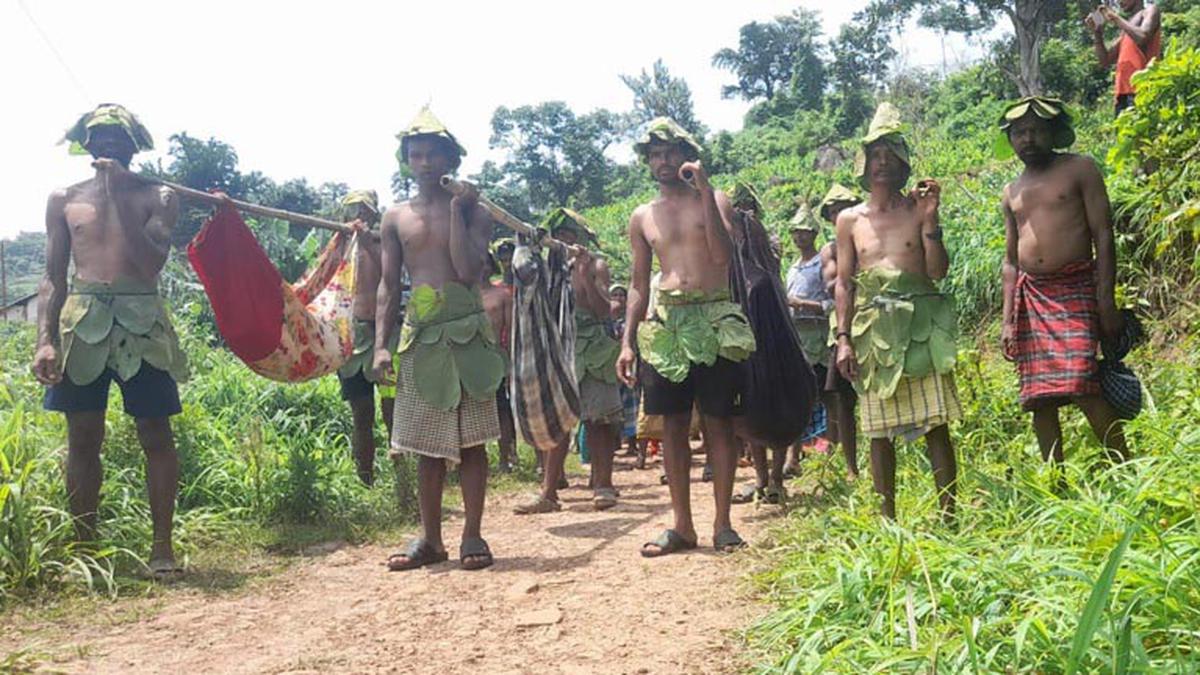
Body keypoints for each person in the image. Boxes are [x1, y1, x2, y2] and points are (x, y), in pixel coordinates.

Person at [34, 104, 190, 578]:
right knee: (82, 436)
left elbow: (150, 263)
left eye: (117, 138)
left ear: (133, 145)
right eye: (98, 137)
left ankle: (161, 549)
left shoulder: (158, 197)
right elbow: (52, 276)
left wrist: (120, 196)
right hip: (83, 324)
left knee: (156, 434)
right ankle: (86, 551)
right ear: (86, 143)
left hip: (142, 323)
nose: (107, 145)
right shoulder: (64, 199)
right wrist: (45, 339)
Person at [373, 106, 505, 571]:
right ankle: (430, 539)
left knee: (472, 443)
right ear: (406, 160)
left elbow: (469, 269)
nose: (424, 163)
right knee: (426, 446)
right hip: (421, 335)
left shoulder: (477, 213)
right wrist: (381, 344)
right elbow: (390, 284)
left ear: (450, 159)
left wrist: (457, 210)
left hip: (467, 330)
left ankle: (472, 534)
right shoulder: (393, 218)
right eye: (416, 155)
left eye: (433, 155)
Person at [617, 117, 756, 556]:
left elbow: (722, 256)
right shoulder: (642, 216)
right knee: (672, 425)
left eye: (671, 152)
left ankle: (723, 524)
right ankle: (682, 525)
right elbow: (640, 282)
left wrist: (706, 193)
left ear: (687, 155)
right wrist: (628, 340)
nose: (663, 161)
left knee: (718, 421)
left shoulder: (715, 201)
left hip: (714, 317)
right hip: (667, 323)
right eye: (655, 154)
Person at [835, 104, 961, 523]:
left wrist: (930, 220)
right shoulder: (848, 220)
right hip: (873, 331)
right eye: (875, 156)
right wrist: (843, 339)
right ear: (864, 165)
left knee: (936, 423)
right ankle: (887, 520)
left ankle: (949, 516)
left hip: (922, 325)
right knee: (877, 430)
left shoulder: (917, 210)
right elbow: (844, 282)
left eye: (891, 155)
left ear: (904, 164)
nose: (882, 164)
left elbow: (938, 271)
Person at [998, 96, 1129, 467]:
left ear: (1053, 132)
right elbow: (1010, 261)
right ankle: (1055, 480)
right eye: (1020, 132)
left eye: (1036, 130)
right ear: (1010, 139)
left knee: (1081, 383)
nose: (1028, 139)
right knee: (1039, 398)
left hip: (1075, 288)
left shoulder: (1080, 169)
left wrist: (1106, 299)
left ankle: (1125, 467)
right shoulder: (1011, 192)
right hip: (1032, 296)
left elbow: (1103, 235)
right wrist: (1008, 320)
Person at [516, 208, 623, 512]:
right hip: (560, 348)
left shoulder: (596, 266)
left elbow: (606, 310)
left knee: (600, 420)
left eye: (569, 235)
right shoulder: (547, 267)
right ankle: (548, 492)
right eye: (559, 235)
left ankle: (603, 484)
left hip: (593, 348)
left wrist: (584, 274)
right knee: (557, 421)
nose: (564, 240)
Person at [335, 190, 395, 486]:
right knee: (362, 413)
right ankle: (366, 481)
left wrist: (368, 240)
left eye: (364, 210)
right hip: (351, 337)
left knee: (392, 409)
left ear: (373, 213)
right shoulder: (339, 244)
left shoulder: (384, 241)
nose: (359, 214)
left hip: (386, 335)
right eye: (353, 209)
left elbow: (391, 275)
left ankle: (405, 481)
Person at [818, 185, 863, 480]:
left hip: (877, 321)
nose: (840, 215)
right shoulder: (831, 250)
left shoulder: (872, 236)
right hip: (843, 328)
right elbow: (834, 284)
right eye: (834, 211)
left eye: (845, 207)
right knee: (844, 400)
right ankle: (851, 466)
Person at [1088, 0, 1161, 113]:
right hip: (1122, 95)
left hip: (1142, 90)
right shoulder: (1127, 29)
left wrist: (1116, 18)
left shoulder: (1149, 11)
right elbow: (1105, 60)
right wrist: (1097, 34)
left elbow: (1143, 37)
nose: (1119, 2)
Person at [480, 252, 517, 473]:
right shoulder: (464, 294)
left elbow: (510, 330)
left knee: (502, 408)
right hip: (470, 358)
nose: (481, 268)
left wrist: (511, 362)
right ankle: (475, 458)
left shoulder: (502, 295)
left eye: (485, 264)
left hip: (495, 357)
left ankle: (505, 458)